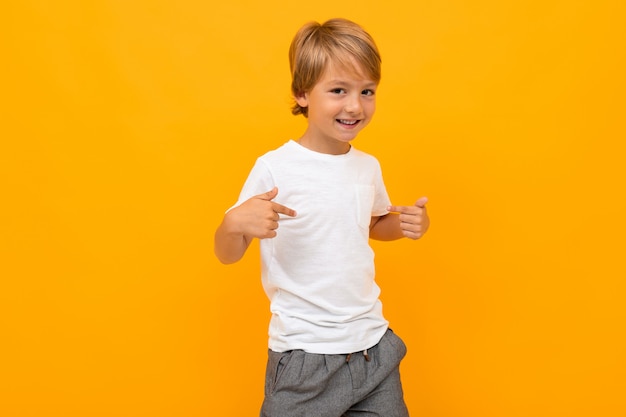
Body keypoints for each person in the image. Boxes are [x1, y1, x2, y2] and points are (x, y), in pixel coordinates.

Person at [214, 18, 430, 417]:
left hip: (372, 350)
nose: (355, 105)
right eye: (338, 91)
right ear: (302, 94)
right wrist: (233, 225)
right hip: (304, 357)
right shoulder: (275, 167)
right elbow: (228, 252)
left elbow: (371, 225)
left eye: (367, 91)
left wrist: (405, 223)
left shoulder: (367, 166)